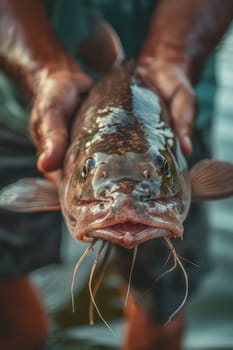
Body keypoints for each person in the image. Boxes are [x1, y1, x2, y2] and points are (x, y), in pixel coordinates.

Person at [0, 1, 232, 349]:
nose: (125, 205)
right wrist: (44, 71)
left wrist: (174, 57)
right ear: (66, 168)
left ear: (186, 180)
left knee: (162, 314)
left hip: (176, 98)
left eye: (161, 173)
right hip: (22, 107)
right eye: (92, 173)